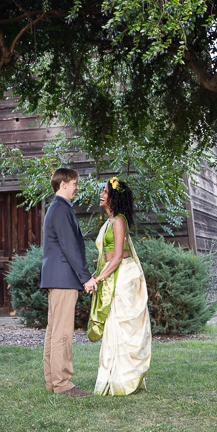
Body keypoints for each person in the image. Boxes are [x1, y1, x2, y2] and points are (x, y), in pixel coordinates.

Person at [87, 177, 151, 396]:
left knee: (120, 326)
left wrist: (98, 279)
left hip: (122, 276)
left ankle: (123, 380)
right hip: (114, 272)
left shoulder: (119, 221)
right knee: (113, 327)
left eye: (105, 192)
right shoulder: (110, 221)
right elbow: (110, 257)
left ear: (114, 197)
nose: (101, 194)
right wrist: (97, 274)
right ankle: (114, 376)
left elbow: (116, 259)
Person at [40, 167, 97, 397]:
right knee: (62, 333)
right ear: (63, 184)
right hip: (64, 279)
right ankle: (63, 385)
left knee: (53, 332)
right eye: (74, 183)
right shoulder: (61, 210)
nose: (77, 187)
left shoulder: (56, 208)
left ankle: (52, 381)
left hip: (57, 278)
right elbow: (70, 248)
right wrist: (86, 278)